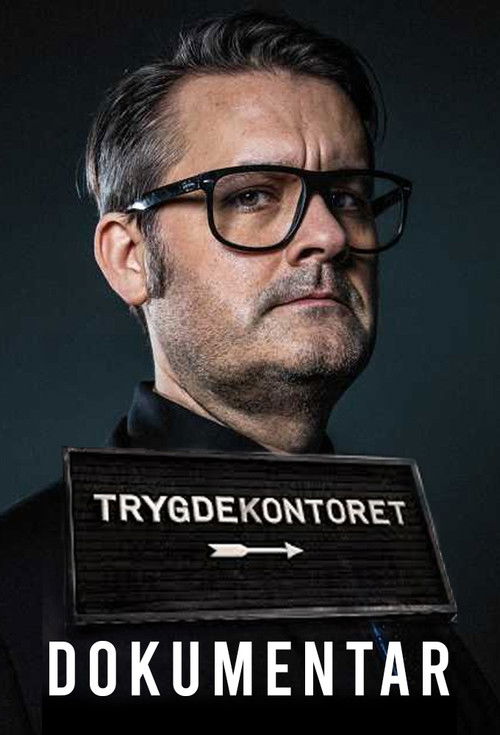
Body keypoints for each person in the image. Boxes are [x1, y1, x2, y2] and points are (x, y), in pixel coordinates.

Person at [0, 10, 498, 734]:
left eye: (347, 196)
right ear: (131, 258)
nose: (328, 235)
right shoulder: (19, 598)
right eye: (251, 196)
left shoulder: (403, 593)